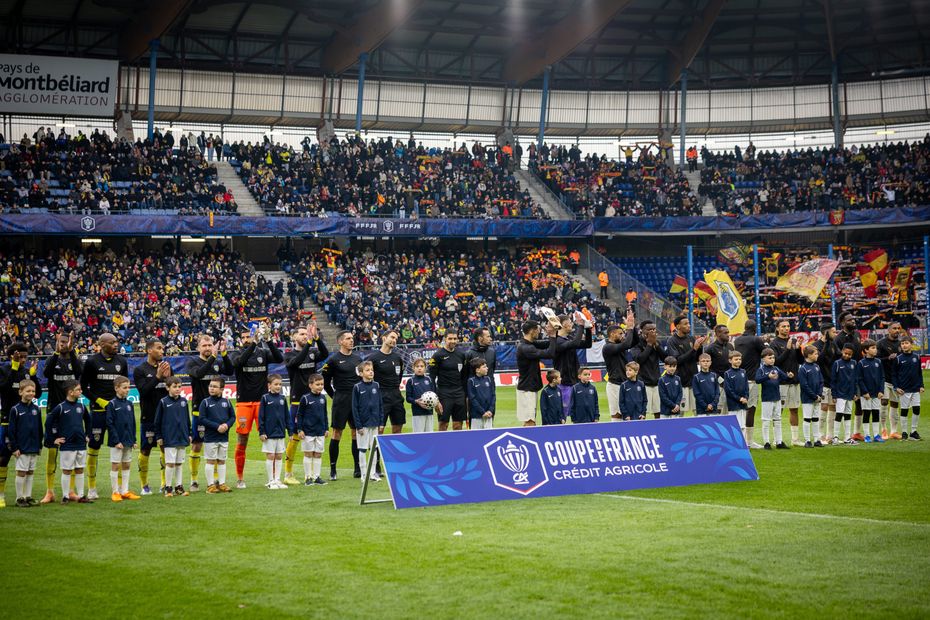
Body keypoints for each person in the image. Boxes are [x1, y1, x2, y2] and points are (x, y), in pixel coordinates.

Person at [231, 326, 283, 488]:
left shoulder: (263, 352)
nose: (246, 340)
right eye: (244, 337)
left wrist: (268, 341)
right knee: (242, 439)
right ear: (241, 339)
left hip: (263, 403)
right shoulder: (237, 353)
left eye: (249, 337)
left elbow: (279, 358)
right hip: (244, 403)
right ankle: (240, 478)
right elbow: (239, 363)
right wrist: (253, 343)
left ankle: (274, 478)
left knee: (270, 437)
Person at [79, 332, 128, 500]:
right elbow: (83, 387)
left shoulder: (122, 361)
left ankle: (120, 488)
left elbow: (124, 385)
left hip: (117, 412)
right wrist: (99, 401)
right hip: (99, 411)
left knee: (119, 446)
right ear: (102, 344)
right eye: (112, 342)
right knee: (94, 447)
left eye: (117, 342)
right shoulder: (92, 362)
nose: (116, 344)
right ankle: (92, 488)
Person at [40, 332, 82, 504]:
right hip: (54, 411)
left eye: (66, 342)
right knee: (52, 452)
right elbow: (46, 373)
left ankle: (71, 491)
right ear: (57, 342)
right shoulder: (53, 360)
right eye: (61, 342)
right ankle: (49, 491)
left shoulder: (74, 360)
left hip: (71, 414)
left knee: (71, 452)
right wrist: (56, 353)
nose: (64, 344)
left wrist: (72, 352)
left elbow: (80, 372)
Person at [187, 334, 233, 491]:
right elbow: (199, 373)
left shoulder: (217, 361)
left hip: (218, 413)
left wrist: (224, 354)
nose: (207, 348)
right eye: (204, 345)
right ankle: (194, 479)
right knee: (197, 445)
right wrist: (213, 357)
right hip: (199, 411)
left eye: (210, 345)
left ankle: (216, 481)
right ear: (198, 347)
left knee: (216, 446)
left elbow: (230, 370)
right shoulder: (192, 362)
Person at [283, 324, 328, 485]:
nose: (304, 336)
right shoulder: (289, 355)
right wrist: (309, 343)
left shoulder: (312, 352)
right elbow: (296, 362)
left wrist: (316, 338)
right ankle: (288, 473)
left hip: (314, 400)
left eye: (305, 334)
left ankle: (313, 475)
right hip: (297, 401)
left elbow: (325, 353)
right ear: (294, 337)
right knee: (295, 437)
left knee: (315, 437)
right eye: (301, 334)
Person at [0, 342, 42, 507]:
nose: (23, 360)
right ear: (12, 355)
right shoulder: (4, 370)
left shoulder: (26, 373)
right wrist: (15, 367)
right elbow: (4, 389)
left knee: (26, 460)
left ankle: (25, 496)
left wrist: (32, 376)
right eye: (20, 357)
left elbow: (37, 393)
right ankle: (1, 495)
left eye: (25, 357)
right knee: (3, 458)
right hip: (7, 421)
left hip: (25, 424)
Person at [321, 330, 363, 480]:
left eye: (352, 338)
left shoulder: (358, 359)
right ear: (340, 341)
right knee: (337, 433)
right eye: (348, 339)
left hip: (356, 400)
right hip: (341, 400)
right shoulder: (333, 360)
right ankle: (333, 469)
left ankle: (357, 468)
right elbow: (325, 382)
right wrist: (335, 396)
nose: (352, 341)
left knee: (356, 433)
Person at [133, 338, 171, 495]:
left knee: (165, 449)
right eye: (159, 348)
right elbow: (143, 392)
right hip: (148, 417)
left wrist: (168, 378)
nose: (162, 351)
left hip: (165, 417)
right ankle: (144, 485)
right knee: (146, 450)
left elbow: (171, 390)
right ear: (149, 350)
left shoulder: (167, 368)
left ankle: (164, 483)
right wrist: (157, 376)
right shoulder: (140, 370)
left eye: (163, 348)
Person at [47, 380, 92, 504]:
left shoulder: (81, 406)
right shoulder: (61, 407)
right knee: (67, 470)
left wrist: (88, 435)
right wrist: (53, 438)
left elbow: (88, 420)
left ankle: (81, 496)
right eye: (78, 389)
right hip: (67, 445)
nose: (81, 391)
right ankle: (65, 496)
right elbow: (48, 422)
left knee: (80, 469)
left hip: (81, 444)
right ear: (70, 392)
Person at [154, 376, 192, 497]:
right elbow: (157, 421)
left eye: (179, 387)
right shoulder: (163, 402)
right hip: (169, 437)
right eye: (174, 387)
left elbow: (187, 419)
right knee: (170, 463)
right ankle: (168, 487)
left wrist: (190, 433)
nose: (177, 389)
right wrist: (159, 436)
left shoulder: (184, 401)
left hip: (182, 436)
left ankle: (179, 486)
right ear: (167, 388)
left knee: (179, 463)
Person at [515, 320, 557, 426]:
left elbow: (549, 344)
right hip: (527, 389)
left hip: (530, 387)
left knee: (530, 419)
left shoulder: (529, 344)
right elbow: (550, 353)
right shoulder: (525, 348)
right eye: (538, 329)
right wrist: (552, 335)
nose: (539, 331)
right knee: (530, 421)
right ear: (532, 331)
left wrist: (555, 333)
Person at [105, 376, 140, 502]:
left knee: (126, 464)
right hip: (117, 442)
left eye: (128, 387)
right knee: (115, 465)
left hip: (128, 440)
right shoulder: (112, 404)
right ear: (116, 388)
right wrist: (116, 441)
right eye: (124, 388)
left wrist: (134, 440)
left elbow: (132, 423)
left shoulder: (130, 404)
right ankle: (115, 492)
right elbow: (110, 424)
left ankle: (124, 491)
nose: (127, 390)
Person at [198, 378, 235, 493]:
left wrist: (227, 425)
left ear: (222, 389)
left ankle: (222, 483)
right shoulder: (205, 402)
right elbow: (202, 419)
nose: (211, 388)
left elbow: (233, 417)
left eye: (214, 386)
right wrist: (217, 426)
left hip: (224, 437)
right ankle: (210, 485)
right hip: (210, 437)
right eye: (210, 386)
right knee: (210, 461)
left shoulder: (227, 402)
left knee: (222, 460)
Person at [8, 379, 42, 507]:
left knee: (30, 471)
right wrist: (14, 447)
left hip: (34, 446)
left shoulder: (36, 409)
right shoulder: (15, 410)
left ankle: (28, 496)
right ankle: (19, 498)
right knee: (21, 472)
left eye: (33, 391)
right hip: (21, 447)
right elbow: (11, 430)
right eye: (28, 391)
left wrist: (39, 445)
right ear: (20, 392)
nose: (31, 393)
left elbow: (39, 428)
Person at [665, 315, 706, 418]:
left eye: (689, 323)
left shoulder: (691, 338)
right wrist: (694, 349)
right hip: (681, 383)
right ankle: (677, 433)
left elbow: (696, 358)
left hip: (693, 381)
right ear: (678, 327)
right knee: (680, 413)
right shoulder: (672, 341)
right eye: (686, 324)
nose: (689, 325)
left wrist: (700, 347)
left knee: (697, 411)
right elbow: (677, 361)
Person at [770, 320, 803, 446]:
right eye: (783, 326)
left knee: (794, 409)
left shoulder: (793, 341)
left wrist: (798, 349)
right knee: (779, 411)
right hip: (781, 382)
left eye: (788, 326)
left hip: (794, 381)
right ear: (778, 328)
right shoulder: (774, 344)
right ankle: (776, 439)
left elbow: (800, 361)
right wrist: (788, 349)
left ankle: (795, 439)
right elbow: (776, 362)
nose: (786, 328)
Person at [733, 320, 765, 448]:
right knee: (750, 409)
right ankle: (749, 441)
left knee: (739, 410)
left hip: (738, 378)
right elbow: (766, 353)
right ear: (754, 328)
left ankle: (739, 440)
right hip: (751, 379)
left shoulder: (737, 340)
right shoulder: (756, 340)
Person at [367, 329, 405, 438]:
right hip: (381, 397)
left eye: (396, 339)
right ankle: (376, 455)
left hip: (396, 397)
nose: (394, 340)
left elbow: (399, 376)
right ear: (384, 338)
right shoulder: (373, 358)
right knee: (379, 430)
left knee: (398, 429)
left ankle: (396, 454)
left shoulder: (398, 358)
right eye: (392, 337)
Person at [552, 313, 593, 410]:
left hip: (574, 381)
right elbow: (575, 343)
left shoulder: (568, 339)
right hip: (563, 383)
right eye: (570, 322)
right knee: (563, 414)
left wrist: (588, 329)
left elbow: (587, 344)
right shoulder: (557, 341)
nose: (572, 324)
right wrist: (581, 325)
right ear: (564, 324)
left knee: (578, 412)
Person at [429, 332, 469, 432]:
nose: (453, 341)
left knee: (458, 424)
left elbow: (464, 377)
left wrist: (466, 395)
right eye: (450, 339)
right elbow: (431, 378)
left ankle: (457, 446)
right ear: (445, 339)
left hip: (459, 393)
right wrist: (435, 400)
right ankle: (442, 446)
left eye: (455, 339)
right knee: (443, 424)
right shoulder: (437, 355)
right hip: (444, 393)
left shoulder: (461, 355)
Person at [258, 374, 291, 490]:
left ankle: (277, 479)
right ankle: (270, 480)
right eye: (276, 384)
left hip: (280, 432)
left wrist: (290, 431)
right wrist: (261, 431)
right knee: (271, 455)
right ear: (269, 385)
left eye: (280, 384)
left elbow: (287, 416)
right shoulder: (265, 398)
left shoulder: (282, 398)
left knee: (279, 456)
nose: (278, 386)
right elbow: (261, 416)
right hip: (269, 433)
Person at [352, 361, 383, 482]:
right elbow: (354, 408)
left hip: (375, 423)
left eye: (372, 370)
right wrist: (358, 425)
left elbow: (380, 404)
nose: (371, 372)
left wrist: (381, 422)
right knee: (363, 449)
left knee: (374, 448)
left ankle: (373, 473)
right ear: (361, 373)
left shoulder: (376, 385)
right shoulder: (357, 387)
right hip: (363, 425)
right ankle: (364, 473)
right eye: (367, 370)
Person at [296, 374, 328, 485]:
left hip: (320, 431)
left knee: (318, 454)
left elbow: (325, 414)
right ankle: (308, 477)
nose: (320, 386)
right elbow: (299, 415)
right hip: (308, 431)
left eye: (322, 384)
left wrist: (326, 428)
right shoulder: (305, 398)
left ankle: (317, 477)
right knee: (308, 454)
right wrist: (300, 429)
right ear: (310, 385)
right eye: (317, 384)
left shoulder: (323, 398)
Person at [756, 347, 790, 449]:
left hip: (777, 398)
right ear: (763, 359)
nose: (772, 360)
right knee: (766, 421)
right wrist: (768, 377)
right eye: (769, 358)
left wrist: (789, 376)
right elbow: (757, 380)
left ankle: (779, 442)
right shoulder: (761, 369)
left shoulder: (776, 368)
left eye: (773, 357)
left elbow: (785, 377)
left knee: (778, 420)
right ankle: (766, 442)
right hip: (767, 399)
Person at [813, 322, 839, 445]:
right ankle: (820, 435)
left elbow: (838, 357)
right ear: (826, 333)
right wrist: (826, 343)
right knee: (823, 407)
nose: (836, 333)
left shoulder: (834, 344)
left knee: (832, 407)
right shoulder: (816, 345)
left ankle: (830, 435)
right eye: (833, 331)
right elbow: (820, 359)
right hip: (821, 381)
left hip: (832, 381)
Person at [893, 335, 923, 440]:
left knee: (917, 409)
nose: (904, 345)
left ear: (911, 344)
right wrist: (896, 387)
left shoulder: (917, 357)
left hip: (915, 389)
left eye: (906, 343)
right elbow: (894, 375)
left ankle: (913, 431)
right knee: (904, 410)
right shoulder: (898, 359)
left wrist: (921, 385)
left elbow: (919, 372)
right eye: (902, 343)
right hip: (904, 390)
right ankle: (905, 432)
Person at [631, 321, 663, 419]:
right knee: (642, 412)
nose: (652, 332)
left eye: (654, 329)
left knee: (658, 412)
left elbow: (665, 358)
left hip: (657, 381)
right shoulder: (636, 343)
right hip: (643, 383)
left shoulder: (657, 342)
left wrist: (656, 346)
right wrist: (649, 345)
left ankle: (659, 432)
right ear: (642, 331)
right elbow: (639, 360)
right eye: (649, 329)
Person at [876, 322, 903, 439]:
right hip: (884, 379)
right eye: (894, 328)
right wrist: (888, 358)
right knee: (884, 403)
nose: (897, 330)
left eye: (898, 328)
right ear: (889, 330)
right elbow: (876, 361)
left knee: (895, 404)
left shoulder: (901, 344)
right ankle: (883, 429)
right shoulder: (881, 343)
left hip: (896, 380)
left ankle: (894, 431)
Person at [857, 339, 884, 443]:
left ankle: (876, 435)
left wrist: (881, 390)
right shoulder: (861, 363)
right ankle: (867, 435)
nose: (875, 350)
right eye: (873, 348)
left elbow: (882, 377)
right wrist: (864, 392)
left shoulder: (878, 362)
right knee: (867, 414)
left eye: (875, 347)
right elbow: (859, 379)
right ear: (866, 350)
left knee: (876, 413)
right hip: (866, 395)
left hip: (877, 393)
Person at [831, 344, 858, 445]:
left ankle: (847, 438)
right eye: (845, 353)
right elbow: (833, 380)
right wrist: (834, 395)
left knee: (848, 415)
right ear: (842, 351)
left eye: (849, 354)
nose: (847, 355)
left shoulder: (854, 363)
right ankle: (835, 437)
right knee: (839, 414)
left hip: (850, 394)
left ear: (852, 354)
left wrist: (855, 393)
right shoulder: (837, 363)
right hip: (840, 394)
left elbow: (855, 380)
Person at [798, 345, 825, 448]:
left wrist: (819, 394)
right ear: (809, 355)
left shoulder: (816, 366)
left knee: (815, 419)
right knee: (807, 419)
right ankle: (807, 440)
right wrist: (814, 396)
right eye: (815, 353)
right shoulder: (803, 368)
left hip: (817, 398)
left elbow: (821, 381)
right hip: (807, 399)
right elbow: (804, 385)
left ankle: (816, 439)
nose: (817, 355)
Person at [705, 325, 733, 414]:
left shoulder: (730, 347)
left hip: (730, 383)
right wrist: (720, 380)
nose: (728, 335)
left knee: (730, 410)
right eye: (725, 333)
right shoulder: (710, 348)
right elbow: (707, 367)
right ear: (718, 334)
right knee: (718, 411)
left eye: (728, 332)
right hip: (717, 385)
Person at [724, 351, 750, 439]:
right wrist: (739, 398)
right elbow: (728, 390)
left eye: (740, 359)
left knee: (743, 425)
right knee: (735, 425)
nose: (738, 361)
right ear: (730, 361)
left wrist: (746, 397)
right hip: (733, 404)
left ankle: (743, 444)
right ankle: (735, 443)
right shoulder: (727, 373)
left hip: (743, 403)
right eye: (736, 359)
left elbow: (746, 387)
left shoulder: (743, 372)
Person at [406, 359, 436, 433]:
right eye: (417, 366)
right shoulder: (411, 381)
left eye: (422, 366)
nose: (419, 368)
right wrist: (416, 401)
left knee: (429, 435)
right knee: (418, 436)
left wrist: (436, 403)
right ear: (413, 368)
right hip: (417, 413)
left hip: (429, 412)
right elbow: (408, 398)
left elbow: (434, 395)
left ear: (425, 368)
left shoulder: (429, 379)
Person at [467, 358, 495, 430]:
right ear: (477, 370)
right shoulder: (471, 381)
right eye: (484, 367)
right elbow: (472, 399)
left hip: (488, 414)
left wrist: (490, 410)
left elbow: (493, 395)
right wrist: (482, 412)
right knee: (477, 437)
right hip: (477, 415)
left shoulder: (488, 379)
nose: (487, 368)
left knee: (489, 436)